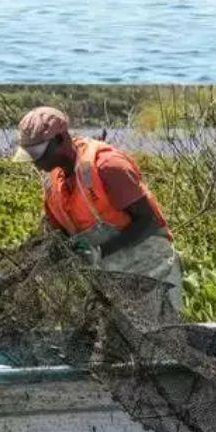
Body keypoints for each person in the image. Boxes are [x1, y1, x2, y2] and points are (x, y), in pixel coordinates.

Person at [13, 107, 184, 310]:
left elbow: (148, 222)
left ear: (61, 139)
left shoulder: (108, 165)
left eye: (39, 154)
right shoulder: (52, 184)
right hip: (109, 281)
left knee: (162, 336)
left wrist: (101, 250)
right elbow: (56, 234)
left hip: (152, 269)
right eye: (30, 155)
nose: (35, 162)